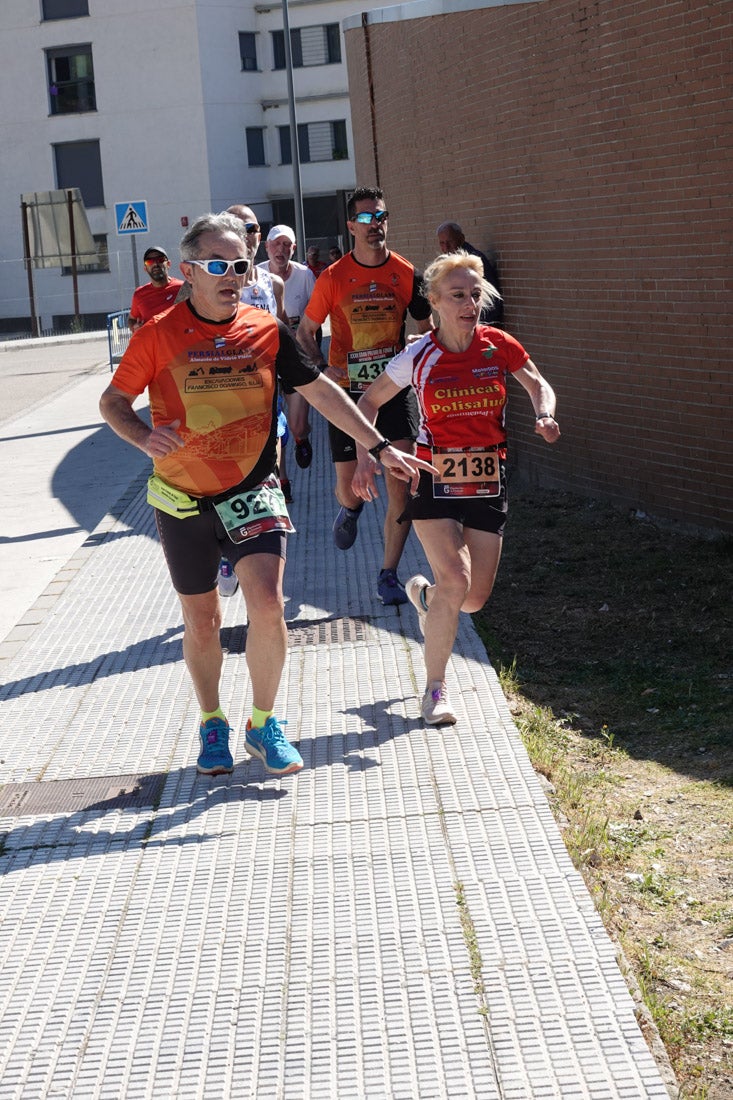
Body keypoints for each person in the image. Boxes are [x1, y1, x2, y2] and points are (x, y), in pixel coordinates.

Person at [99, 211, 430, 778]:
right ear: (187, 272)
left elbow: (322, 391)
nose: (232, 274)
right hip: (182, 496)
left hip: (254, 488)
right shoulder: (157, 337)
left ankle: (263, 723)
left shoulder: (265, 330)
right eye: (218, 265)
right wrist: (140, 434)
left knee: (268, 603)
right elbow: (112, 403)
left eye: (239, 264)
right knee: (202, 621)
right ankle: (211, 722)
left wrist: (376, 448)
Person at [352, 249, 560, 725]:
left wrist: (545, 413)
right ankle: (434, 690)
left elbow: (536, 383)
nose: (469, 304)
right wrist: (368, 454)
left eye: (474, 294)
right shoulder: (418, 356)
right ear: (434, 302)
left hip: (489, 480)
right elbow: (367, 401)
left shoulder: (498, 344)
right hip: (434, 479)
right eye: (457, 296)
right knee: (457, 578)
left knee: (472, 599)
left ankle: (428, 600)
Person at [296, 186, 434, 607]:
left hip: (393, 389)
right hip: (348, 395)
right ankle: (351, 509)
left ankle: (388, 573)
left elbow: (428, 328)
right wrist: (322, 368)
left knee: (402, 483)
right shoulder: (333, 277)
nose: (376, 225)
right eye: (367, 219)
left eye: (382, 217)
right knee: (349, 487)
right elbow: (304, 333)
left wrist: (421, 341)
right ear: (351, 226)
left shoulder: (407, 273)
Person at [258, 225, 316, 469]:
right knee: (269, 422)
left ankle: (301, 438)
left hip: (296, 351)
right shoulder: (256, 275)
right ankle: (280, 478)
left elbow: (319, 314)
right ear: (267, 247)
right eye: (276, 244)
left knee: (297, 426)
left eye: (286, 245)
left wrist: (301, 329)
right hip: (265, 355)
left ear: (293, 249)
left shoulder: (304, 275)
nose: (280, 250)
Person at [436, 221, 504, 327]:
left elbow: (491, 299)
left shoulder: (473, 262)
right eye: (442, 243)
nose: (446, 247)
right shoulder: (449, 263)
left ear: (461, 239)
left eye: (450, 241)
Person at [128, 247, 184, 333]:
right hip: (153, 345)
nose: (155, 264)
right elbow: (132, 319)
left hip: (180, 344)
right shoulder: (139, 294)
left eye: (160, 259)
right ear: (145, 269)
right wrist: (135, 328)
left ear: (168, 264)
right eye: (150, 261)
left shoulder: (183, 288)